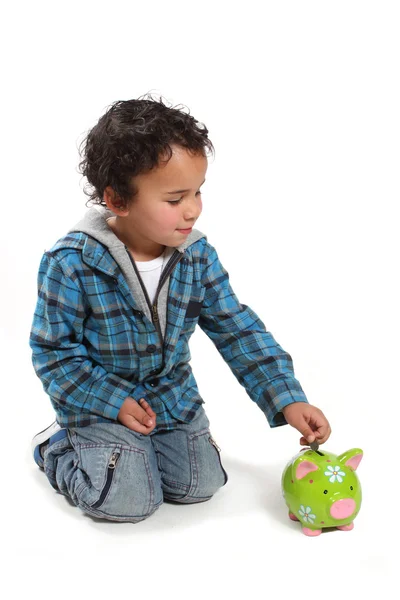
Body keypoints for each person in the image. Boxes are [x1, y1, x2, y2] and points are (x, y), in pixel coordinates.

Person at [30, 94, 331, 523]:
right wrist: (114, 402)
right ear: (117, 201)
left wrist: (287, 399)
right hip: (99, 402)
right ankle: (58, 445)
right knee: (129, 503)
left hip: (171, 398)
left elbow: (237, 328)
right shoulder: (71, 262)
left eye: (197, 193)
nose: (192, 209)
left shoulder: (196, 254)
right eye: (174, 199)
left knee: (200, 485)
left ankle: (139, 453)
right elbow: (54, 353)